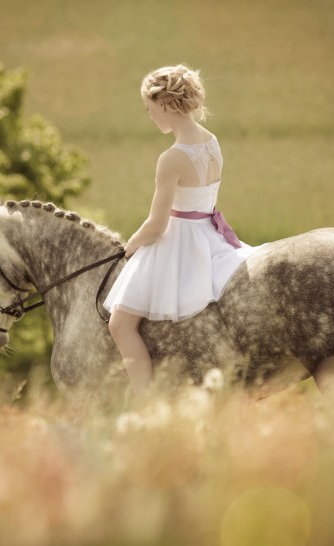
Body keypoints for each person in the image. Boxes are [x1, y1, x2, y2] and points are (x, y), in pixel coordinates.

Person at [104, 64, 255, 394]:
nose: (150, 116)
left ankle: (145, 400)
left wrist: (130, 245)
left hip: (179, 240)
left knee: (120, 324)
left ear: (164, 104)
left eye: (149, 108)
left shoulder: (171, 158)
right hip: (210, 234)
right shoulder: (212, 142)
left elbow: (157, 225)